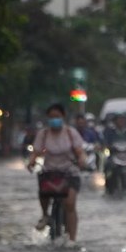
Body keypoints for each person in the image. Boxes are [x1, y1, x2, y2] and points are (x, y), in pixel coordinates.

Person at [27, 103, 87, 242]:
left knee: (70, 203)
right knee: (42, 187)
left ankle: (72, 239)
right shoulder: (43, 134)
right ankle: (45, 215)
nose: (54, 119)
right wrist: (31, 162)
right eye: (51, 117)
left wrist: (82, 161)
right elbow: (35, 152)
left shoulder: (71, 133)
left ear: (63, 117)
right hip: (50, 173)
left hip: (69, 172)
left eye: (57, 116)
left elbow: (80, 152)